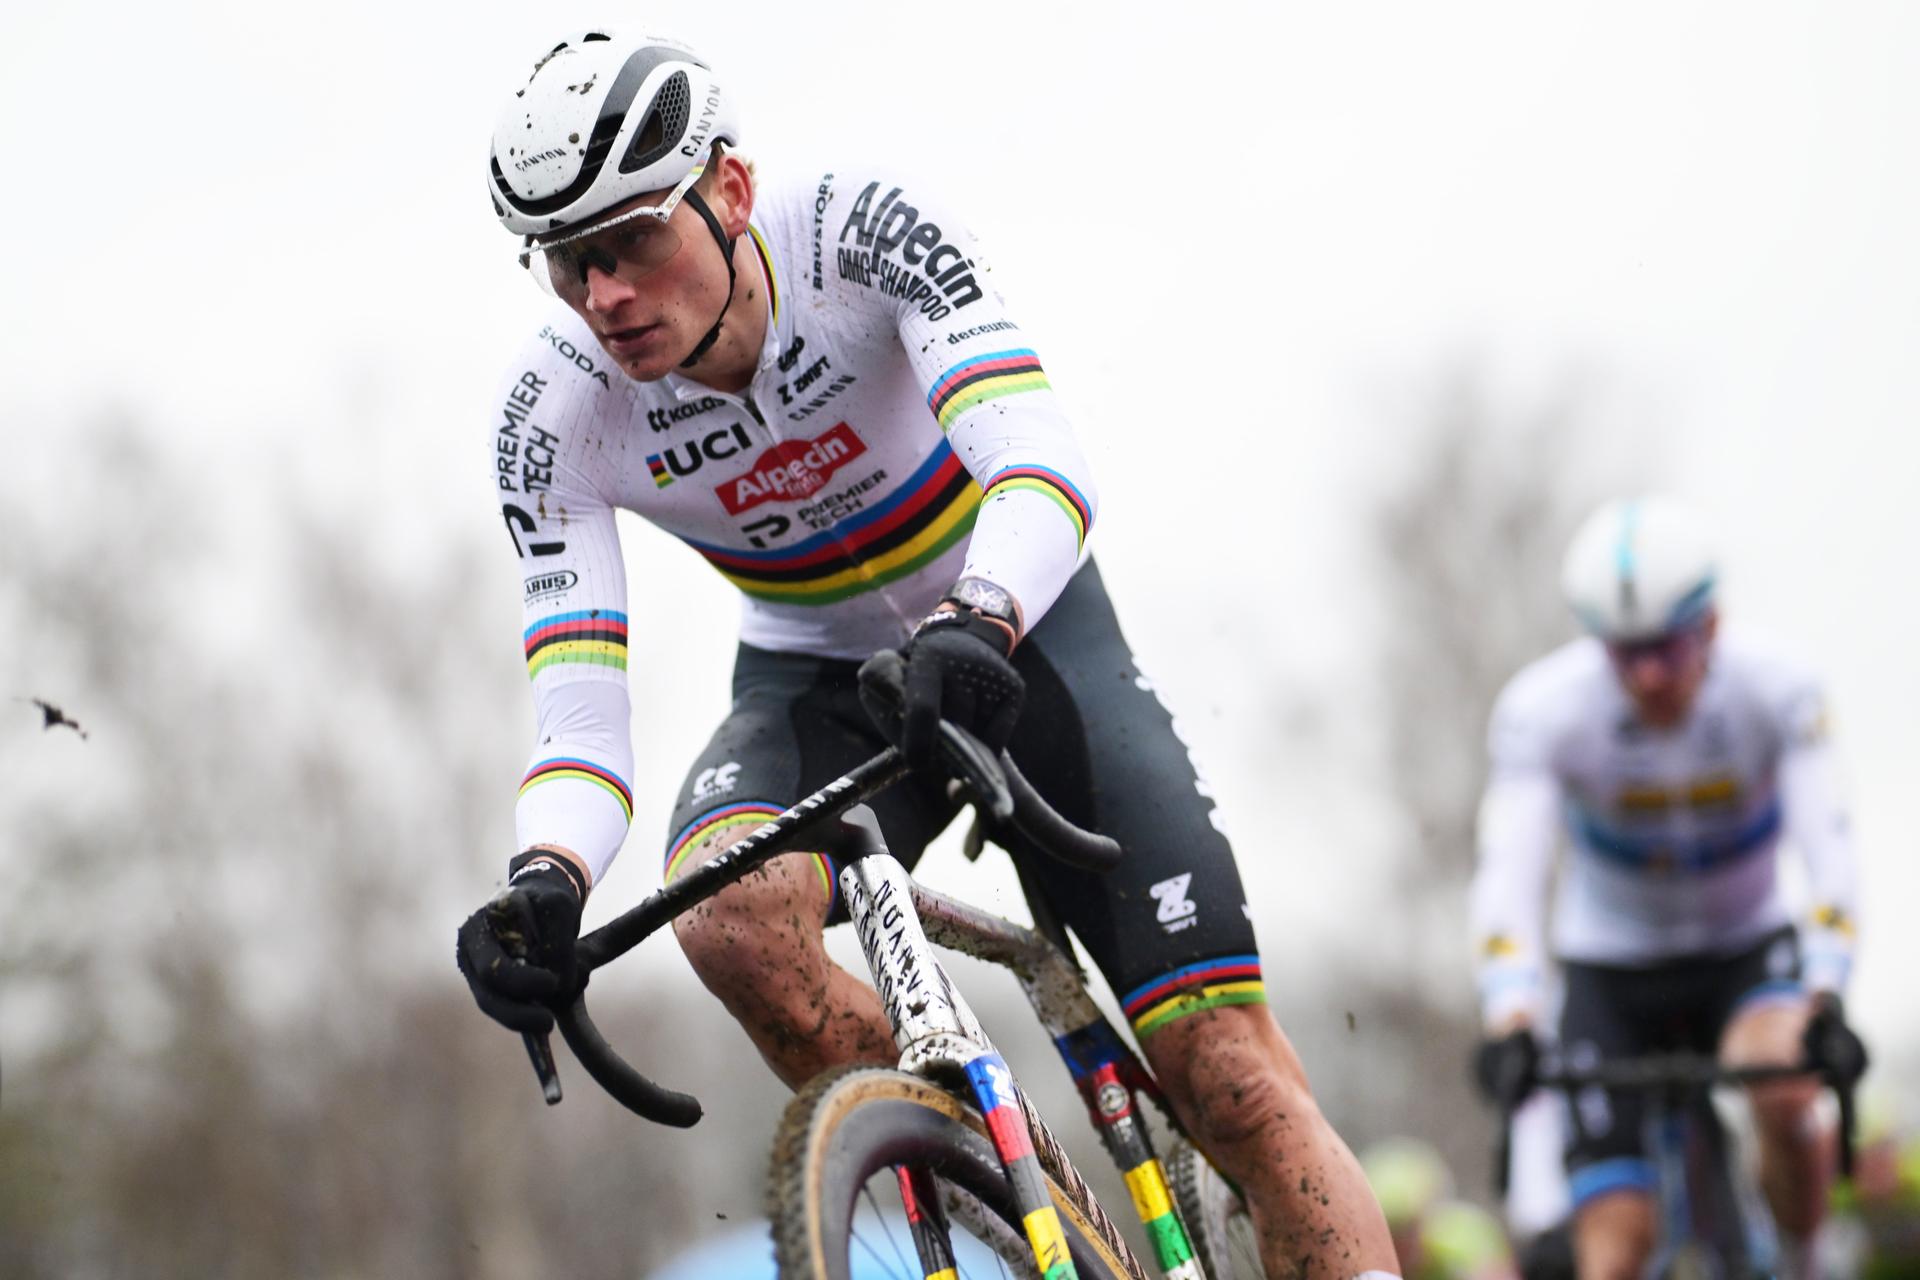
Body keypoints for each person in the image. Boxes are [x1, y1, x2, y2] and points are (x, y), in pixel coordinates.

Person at [453, 30, 1397, 1278]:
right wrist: (548, 876)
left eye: (632, 240)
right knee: (731, 916)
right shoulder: (554, 413)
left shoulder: (855, 232)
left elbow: (1042, 463)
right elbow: (579, 724)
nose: (605, 294)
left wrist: (984, 611)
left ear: (729, 190)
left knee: (1229, 1078)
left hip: (1030, 632)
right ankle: (1015, 1200)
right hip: (814, 675)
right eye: (568, 263)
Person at [1468, 495, 1867, 1280]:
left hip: (1744, 947)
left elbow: (1831, 850)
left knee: (1785, 1086)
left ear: (1711, 624)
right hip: (1609, 967)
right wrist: (1510, 1012)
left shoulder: (1777, 689)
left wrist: (1827, 992)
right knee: (1613, 1247)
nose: (1648, 674)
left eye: (1667, 648)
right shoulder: (1546, 711)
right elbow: (1508, 873)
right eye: (1624, 653)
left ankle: (1804, 1258)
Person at [1362, 1138, 1518, 1280]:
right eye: (1393, 1235)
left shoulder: (1462, 1245)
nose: (1403, 1245)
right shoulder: (1364, 1263)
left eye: (1409, 1230)